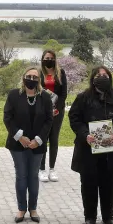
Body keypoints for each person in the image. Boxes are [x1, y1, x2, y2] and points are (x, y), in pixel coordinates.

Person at [68, 66, 113, 224]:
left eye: (105, 75)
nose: (102, 77)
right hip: (88, 149)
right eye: (98, 75)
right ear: (92, 78)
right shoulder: (83, 97)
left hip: (112, 149)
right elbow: (74, 118)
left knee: (110, 183)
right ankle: (90, 216)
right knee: (88, 183)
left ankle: (108, 216)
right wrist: (84, 135)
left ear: (110, 78)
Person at [3, 67, 53, 223]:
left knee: (33, 176)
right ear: (23, 77)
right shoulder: (14, 95)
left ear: (39, 80)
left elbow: (49, 120)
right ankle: (21, 209)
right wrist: (20, 137)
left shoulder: (45, 97)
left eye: (35, 77)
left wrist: (38, 139)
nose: (31, 79)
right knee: (21, 175)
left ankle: (33, 208)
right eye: (29, 76)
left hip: (37, 144)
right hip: (18, 143)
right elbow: (7, 118)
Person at [38, 50, 67, 183]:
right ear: (42, 59)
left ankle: (52, 168)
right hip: (42, 112)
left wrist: (57, 108)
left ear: (55, 60)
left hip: (57, 112)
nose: (48, 60)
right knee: (43, 139)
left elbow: (63, 93)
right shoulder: (38, 73)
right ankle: (42, 169)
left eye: (51, 58)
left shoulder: (61, 73)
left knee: (54, 139)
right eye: (46, 58)